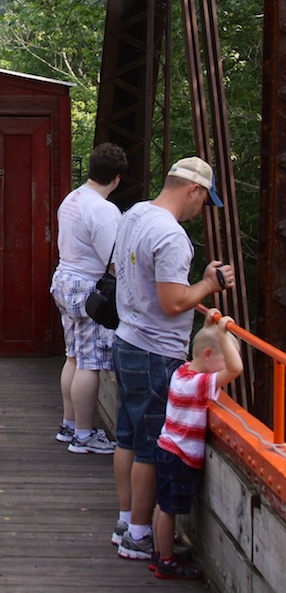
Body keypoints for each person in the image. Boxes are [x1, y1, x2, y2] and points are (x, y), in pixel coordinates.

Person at [112, 156, 235, 561]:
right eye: (205, 200)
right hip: (154, 351)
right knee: (149, 449)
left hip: (126, 339)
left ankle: (126, 520)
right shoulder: (172, 236)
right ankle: (139, 537)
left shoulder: (134, 214)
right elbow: (172, 302)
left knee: (126, 438)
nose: (203, 210)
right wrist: (208, 284)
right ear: (193, 190)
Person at [151, 310, 243, 580]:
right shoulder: (200, 384)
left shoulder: (182, 372)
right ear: (207, 357)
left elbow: (204, 346)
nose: (227, 365)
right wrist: (224, 331)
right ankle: (166, 563)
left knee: (162, 505)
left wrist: (210, 327)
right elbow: (236, 370)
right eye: (223, 358)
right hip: (180, 457)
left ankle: (160, 552)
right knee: (169, 510)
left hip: (167, 448)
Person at [50, 142, 129, 454]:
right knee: (89, 363)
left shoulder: (73, 198)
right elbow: (115, 261)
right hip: (88, 291)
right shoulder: (104, 210)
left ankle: (69, 424)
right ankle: (83, 436)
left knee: (73, 355)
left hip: (64, 282)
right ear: (117, 178)